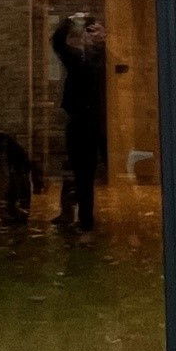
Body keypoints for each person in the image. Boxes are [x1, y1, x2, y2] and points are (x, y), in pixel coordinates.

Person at [51, 14, 106, 230]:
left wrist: (99, 38)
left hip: (90, 122)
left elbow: (94, 59)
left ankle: (85, 221)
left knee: (85, 173)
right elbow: (57, 43)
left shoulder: (96, 58)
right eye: (88, 33)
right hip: (78, 121)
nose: (88, 37)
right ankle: (72, 215)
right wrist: (69, 21)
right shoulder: (75, 58)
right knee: (76, 170)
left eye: (92, 33)